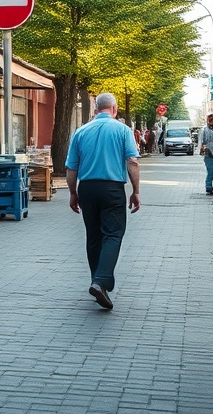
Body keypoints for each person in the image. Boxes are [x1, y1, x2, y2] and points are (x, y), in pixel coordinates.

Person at [65, 93, 140, 310]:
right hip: (112, 188)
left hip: (87, 188)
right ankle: (101, 280)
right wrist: (136, 191)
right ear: (114, 109)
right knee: (113, 234)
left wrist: (72, 192)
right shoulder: (123, 131)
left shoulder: (80, 132)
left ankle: (98, 283)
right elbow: (132, 162)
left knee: (94, 236)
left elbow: (71, 168)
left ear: (96, 109)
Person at [199, 113, 213, 196]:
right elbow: (202, 141)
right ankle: (208, 186)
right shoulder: (205, 129)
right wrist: (203, 149)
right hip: (209, 153)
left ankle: (209, 186)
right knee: (211, 170)